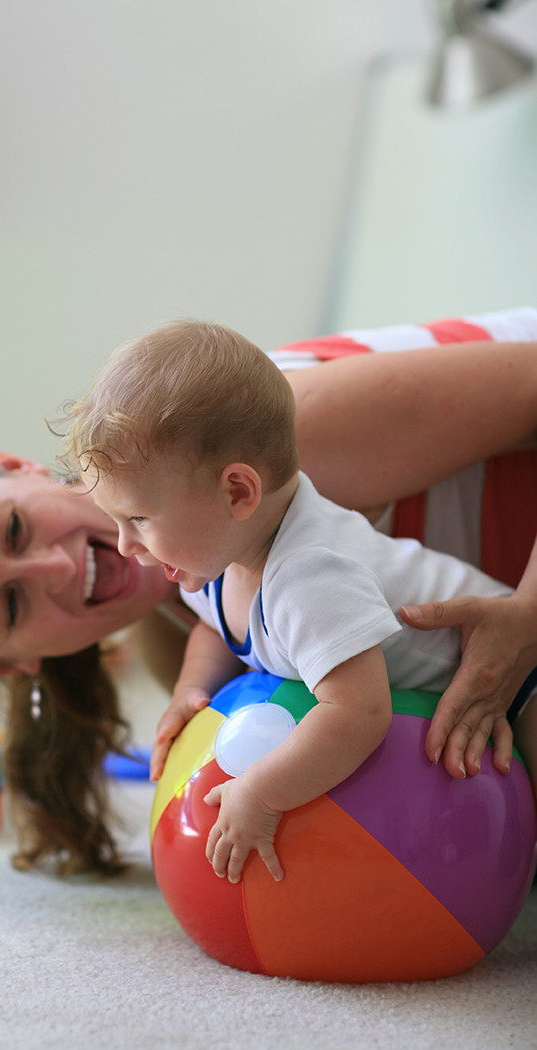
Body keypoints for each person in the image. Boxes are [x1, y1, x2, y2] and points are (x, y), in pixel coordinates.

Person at [0, 307, 537, 877]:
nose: (59, 566)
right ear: (11, 664)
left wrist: (529, 612)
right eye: (12, 606)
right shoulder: (185, 600)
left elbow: (357, 714)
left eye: (15, 528)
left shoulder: (285, 443)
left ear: (11, 468)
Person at [60, 319, 537, 884]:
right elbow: (217, 627)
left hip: (520, 675)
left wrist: (261, 793)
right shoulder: (219, 551)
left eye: (138, 518)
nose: (124, 543)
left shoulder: (308, 575)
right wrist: (193, 688)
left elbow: (358, 712)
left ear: (238, 491)